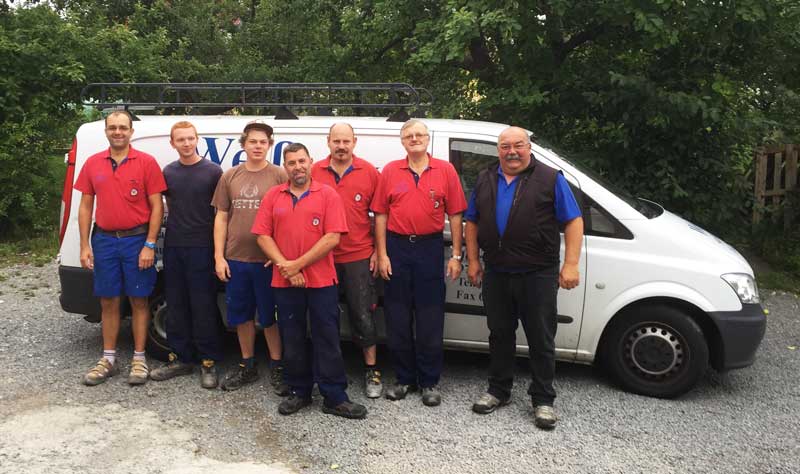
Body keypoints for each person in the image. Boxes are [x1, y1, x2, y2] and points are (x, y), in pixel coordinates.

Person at [465, 126, 584, 429]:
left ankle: (543, 399)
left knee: (540, 337)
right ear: (498, 150)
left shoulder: (550, 178)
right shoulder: (485, 177)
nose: (512, 152)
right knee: (499, 334)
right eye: (505, 146)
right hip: (497, 271)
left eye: (518, 145)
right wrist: (474, 260)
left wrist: (571, 264)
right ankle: (498, 390)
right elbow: (472, 221)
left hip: (538, 272)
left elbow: (573, 220)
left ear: (529, 148)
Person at [253, 143, 367, 419]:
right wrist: (287, 268)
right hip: (284, 282)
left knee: (327, 337)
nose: (298, 167)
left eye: (302, 161)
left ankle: (334, 396)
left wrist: (296, 265)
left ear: (311, 162)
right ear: (285, 167)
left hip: (321, 281)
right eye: (291, 163)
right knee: (292, 337)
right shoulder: (274, 196)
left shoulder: (327, 195)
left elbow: (333, 237)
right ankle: (299, 391)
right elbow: (262, 236)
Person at [372, 119, 467, 407]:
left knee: (430, 317)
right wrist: (383, 253)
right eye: (409, 136)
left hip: (430, 248)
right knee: (397, 317)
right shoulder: (390, 171)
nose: (414, 139)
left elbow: (456, 215)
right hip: (397, 248)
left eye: (419, 135)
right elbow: (380, 215)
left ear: (427, 139)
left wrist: (456, 255)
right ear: (402, 141)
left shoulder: (445, 170)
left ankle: (429, 382)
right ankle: (403, 379)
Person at [76, 110, 166, 386]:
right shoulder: (93, 163)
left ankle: (139, 358)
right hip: (104, 240)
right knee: (108, 300)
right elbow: (85, 206)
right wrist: (84, 245)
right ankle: (108, 359)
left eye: (123, 127)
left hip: (136, 240)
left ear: (131, 131)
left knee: (139, 300)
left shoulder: (146, 162)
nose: (118, 132)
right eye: (113, 127)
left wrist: (150, 244)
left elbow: (157, 207)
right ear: (106, 131)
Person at [211, 121, 288, 394]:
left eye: (263, 142)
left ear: (270, 145)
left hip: (267, 262)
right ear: (244, 144)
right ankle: (247, 365)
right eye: (253, 141)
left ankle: (277, 366)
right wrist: (219, 257)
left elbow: (290, 216)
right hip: (236, 260)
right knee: (241, 316)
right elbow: (221, 217)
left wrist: (279, 255)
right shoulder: (230, 176)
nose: (258, 146)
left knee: (270, 317)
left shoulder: (280, 175)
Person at [310, 123, 383, 398]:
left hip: (358, 255)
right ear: (328, 141)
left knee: (362, 313)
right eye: (336, 141)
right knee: (323, 316)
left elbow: (379, 216)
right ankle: (326, 370)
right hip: (321, 257)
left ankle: (371, 369)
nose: (341, 146)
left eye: (346, 141)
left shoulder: (369, 172)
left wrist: (378, 251)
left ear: (355, 142)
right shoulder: (314, 171)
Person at [149, 121, 223, 389]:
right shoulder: (168, 172)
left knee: (203, 306)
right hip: (174, 246)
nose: (186, 143)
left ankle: (208, 362)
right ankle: (180, 358)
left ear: (197, 139)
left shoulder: (213, 171)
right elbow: (164, 205)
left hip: (203, 247)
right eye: (181, 139)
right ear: (173, 143)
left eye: (190, 138)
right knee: (176, 305)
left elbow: (221, 212)